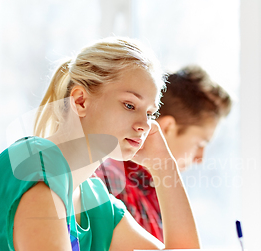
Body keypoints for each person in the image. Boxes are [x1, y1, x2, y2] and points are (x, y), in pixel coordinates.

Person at [0, 37, 261, 251]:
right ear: (80, 101)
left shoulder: (93, 199)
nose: (143, 125)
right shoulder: (33, 161)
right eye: (129, 105)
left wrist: (163, 166)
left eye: (150, 113)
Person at [95, 66, 231, 241]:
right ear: (167, 128)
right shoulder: (112, 184)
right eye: (199, 144)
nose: (200, 159)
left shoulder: (157, 190)